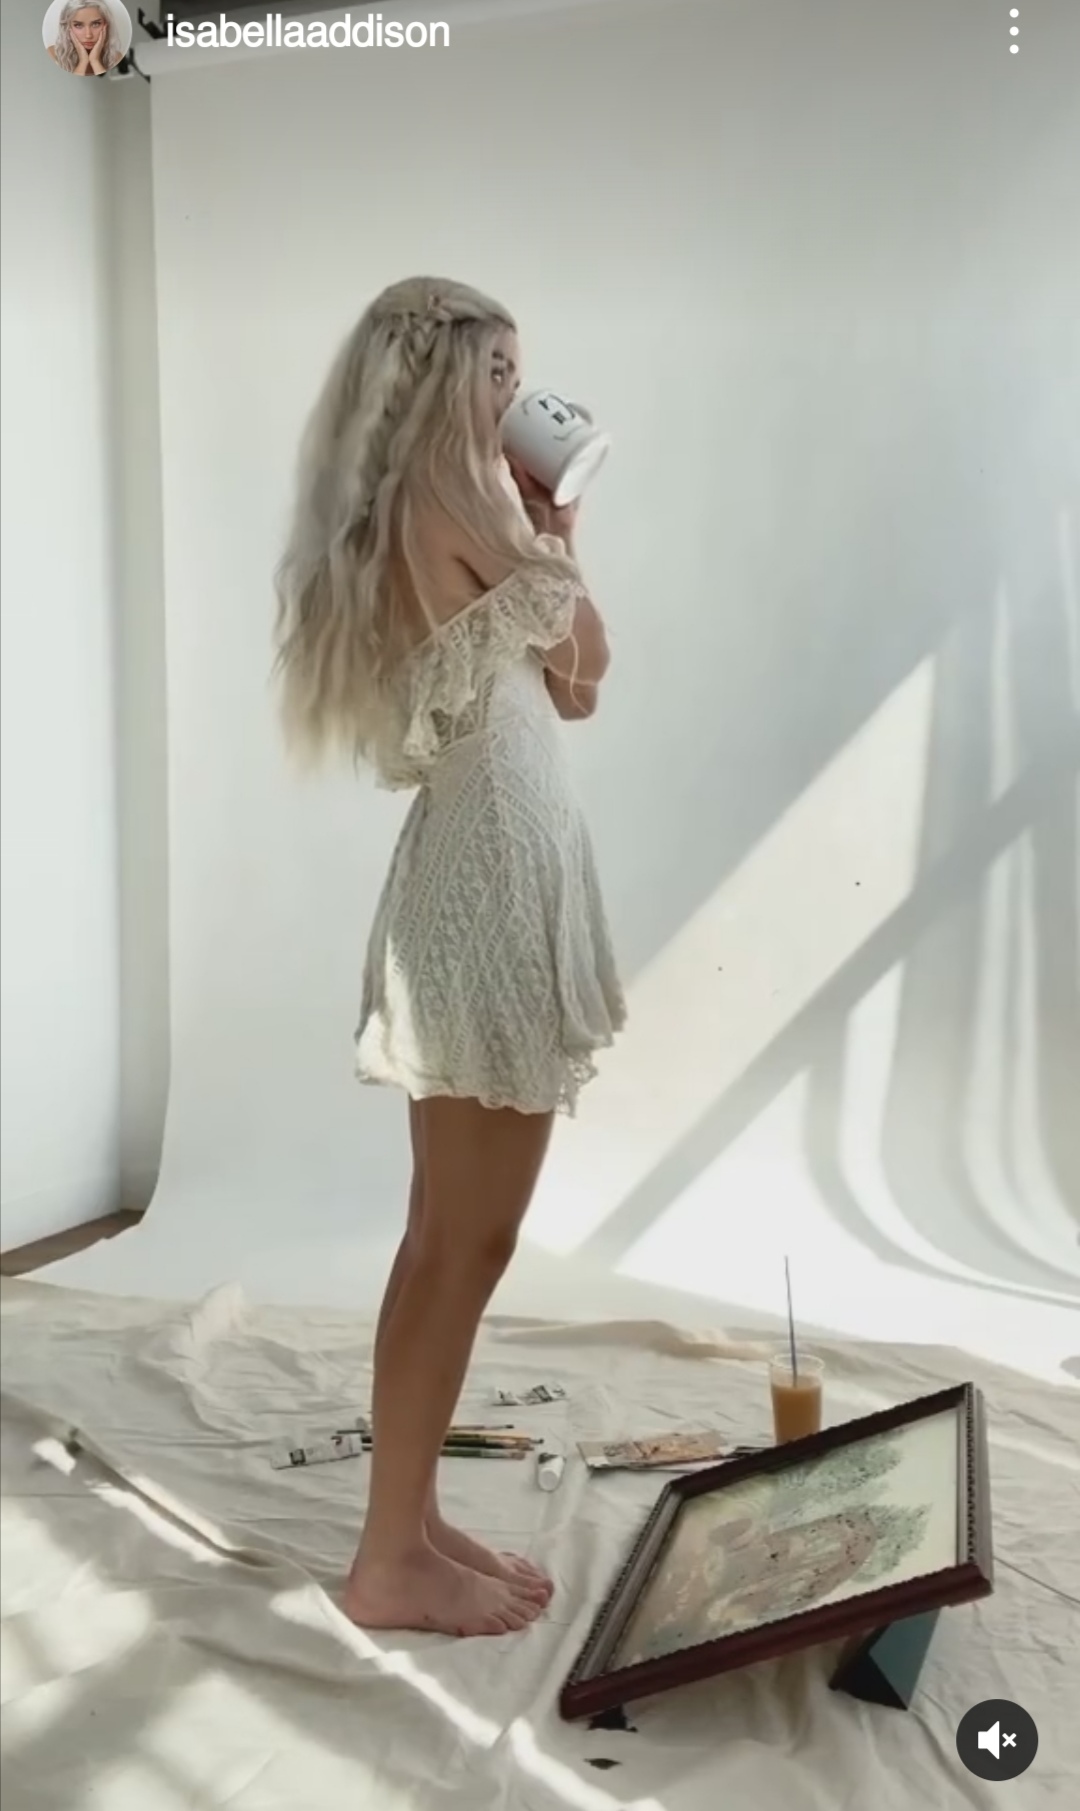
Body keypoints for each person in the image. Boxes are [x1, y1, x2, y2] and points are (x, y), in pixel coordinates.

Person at [274, 277, 625, 1637]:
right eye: (498, 376)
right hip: (487, 874)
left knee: (449, 1238)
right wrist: (548, 536)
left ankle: (407, 1521)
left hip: (485, 863)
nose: (516, 402)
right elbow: (590, 653)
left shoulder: (454, 513)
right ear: (442, 381)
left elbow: (576, 686)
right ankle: (389, 1556)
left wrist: (555, 536)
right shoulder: (454, 499)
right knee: (464, 1239)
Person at [47, 2, 123, 75]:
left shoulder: (115, 57)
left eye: (96, 24)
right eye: (78, 25)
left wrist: (95, 60)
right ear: (67, 27)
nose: (88, 35)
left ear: (106, 25)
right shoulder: (54, 53)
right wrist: (83, 61)